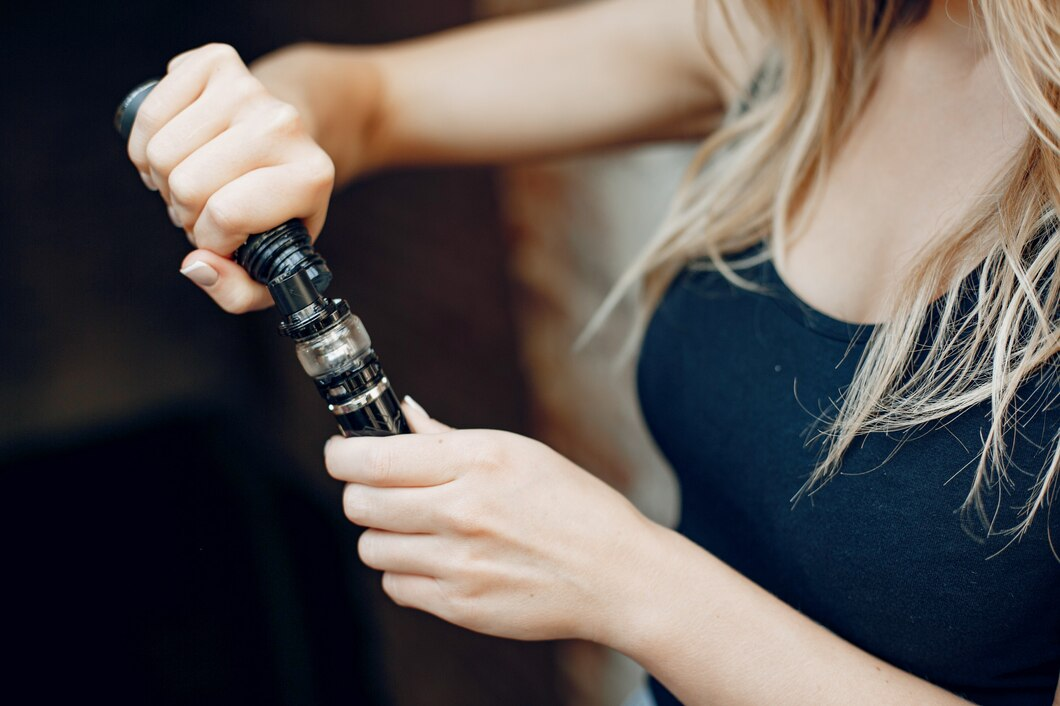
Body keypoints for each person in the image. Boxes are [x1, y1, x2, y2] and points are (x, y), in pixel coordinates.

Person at [124, 0, 1059, 703]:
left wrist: (625, 580)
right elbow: (365, 97)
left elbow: (643, 589)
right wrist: (254, 129)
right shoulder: (814, 28)